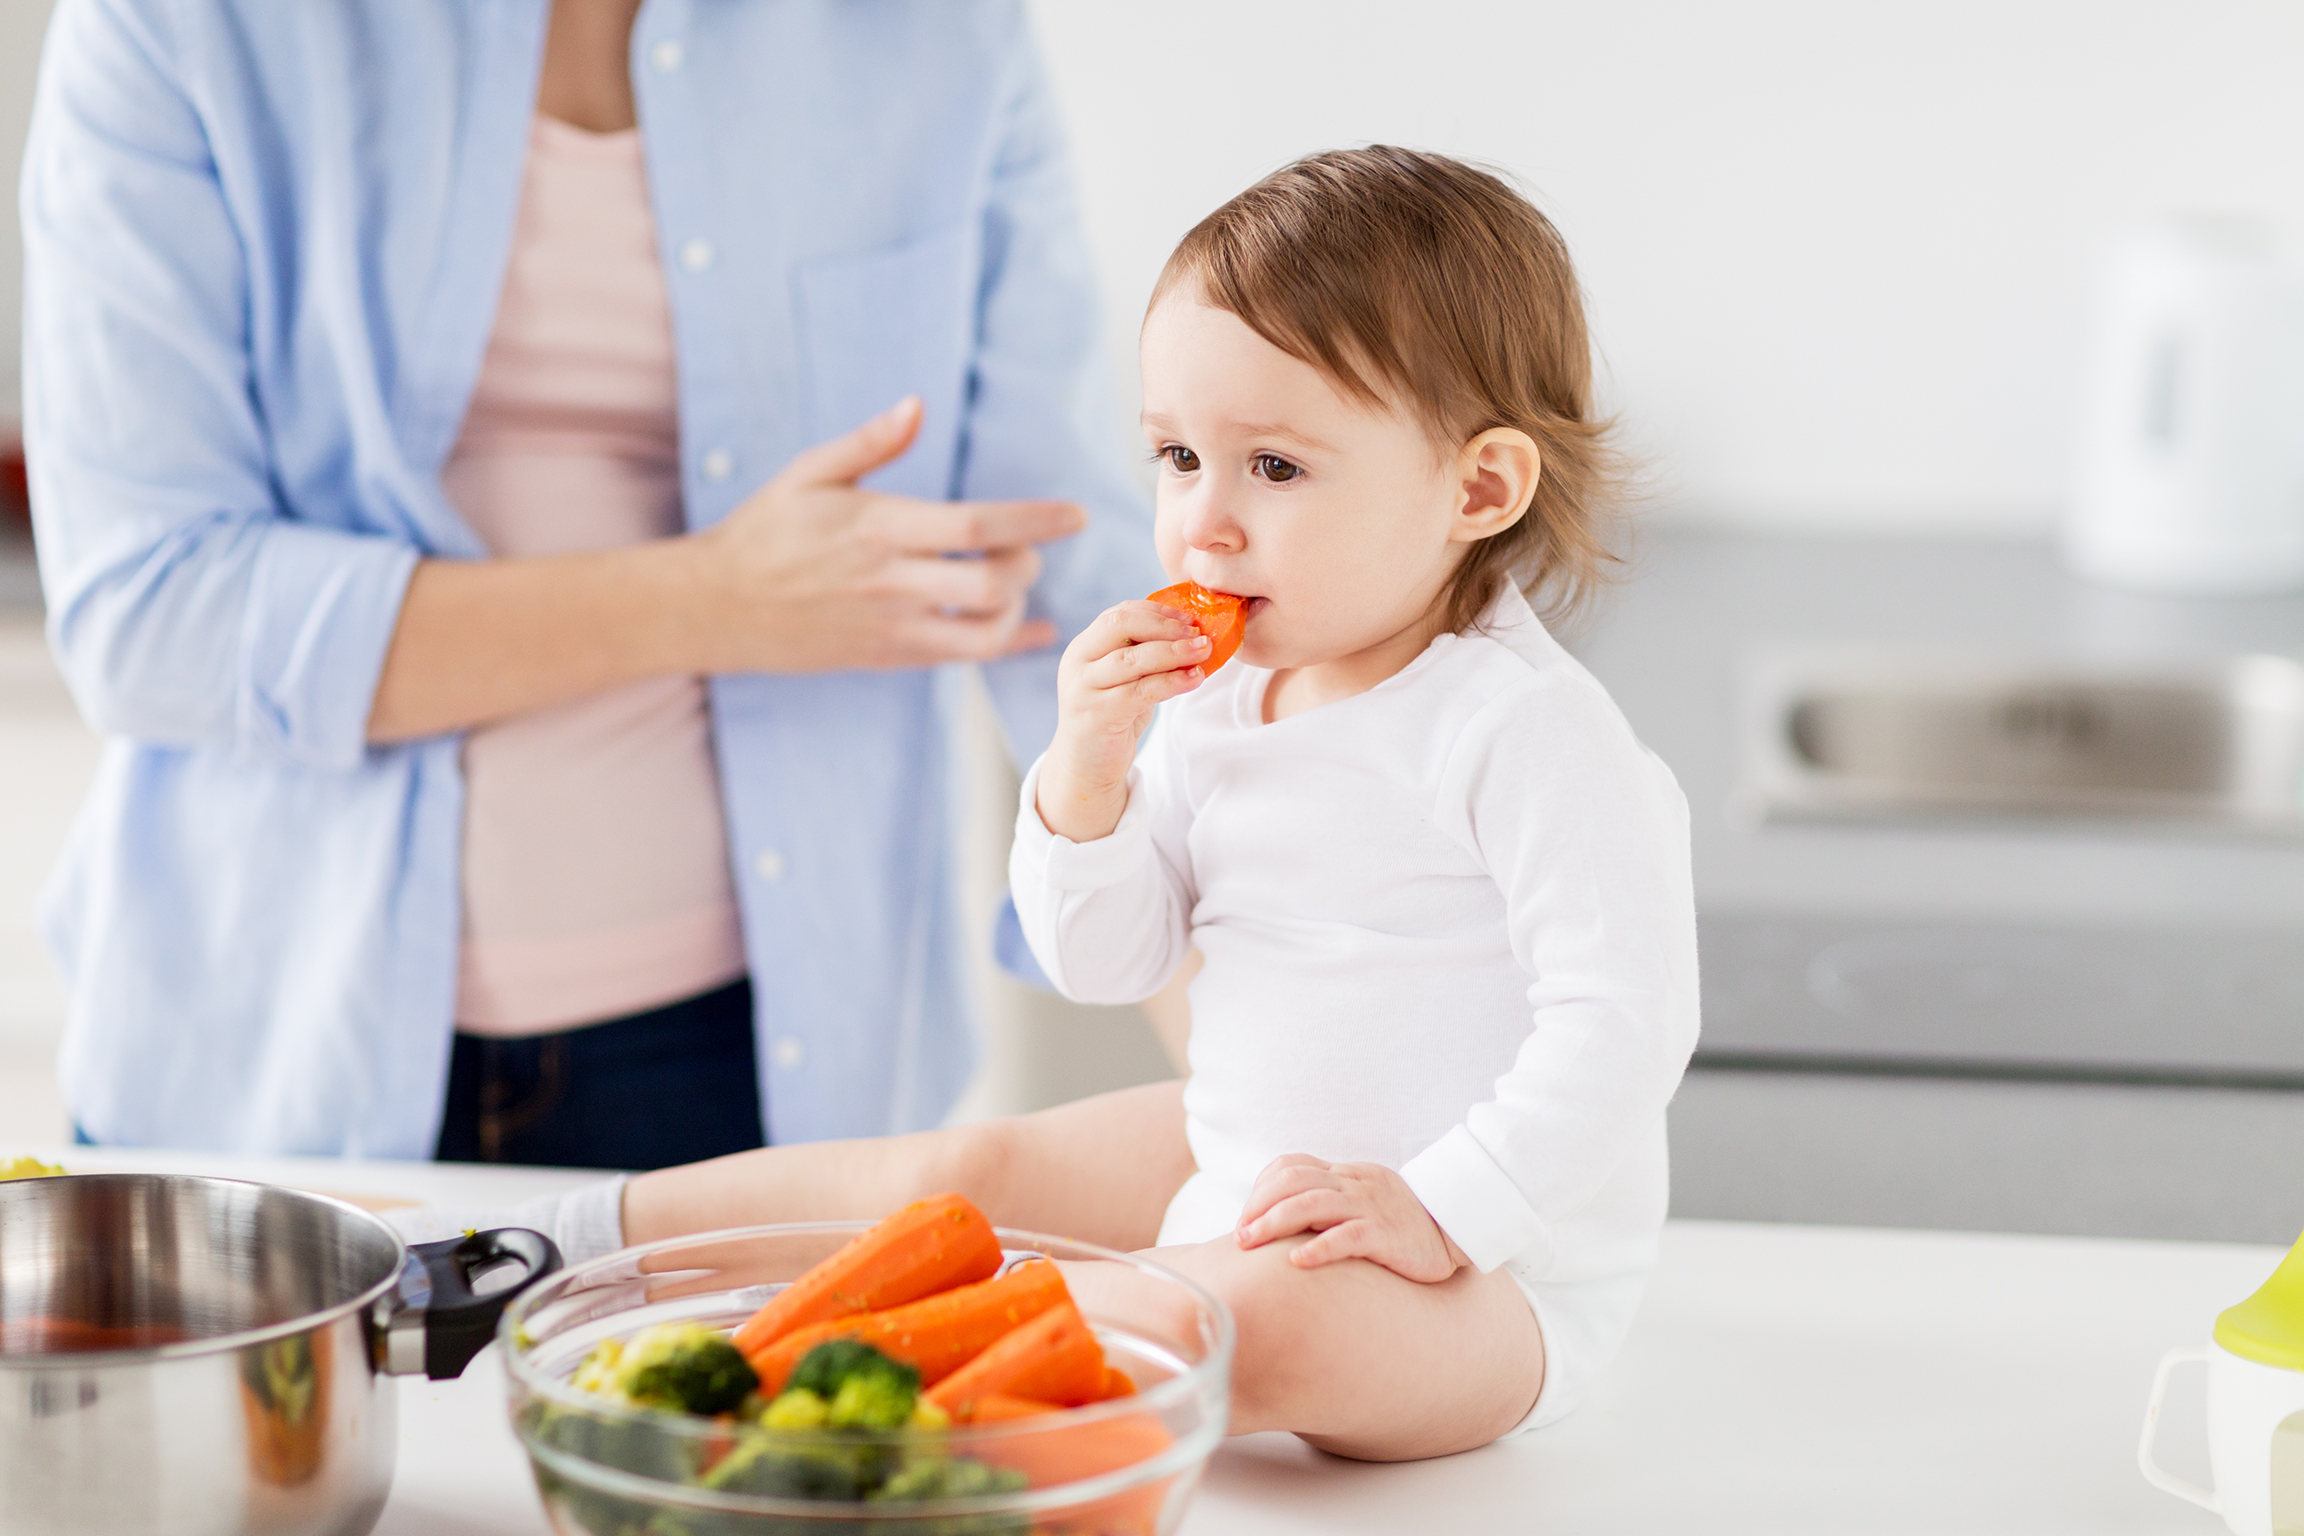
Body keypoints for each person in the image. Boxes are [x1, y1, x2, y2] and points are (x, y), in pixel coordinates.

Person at [406, 148, 1699, 1461]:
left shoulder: (1520, 733)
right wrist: (1086, 786)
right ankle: (544, 1257)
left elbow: (1627, 1028)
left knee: (1243, 1323)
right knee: (962, 1177)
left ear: (1479, 490)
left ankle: (767, 1404)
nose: (1205, 522)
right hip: (1248, 1174)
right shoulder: (1211, 703)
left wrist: (1446, 1207)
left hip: (1483, 1280)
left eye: (1278, 470)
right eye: (1180, 455)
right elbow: (1104, 961)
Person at [21, 0, 1158, 1164]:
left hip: (765, 1068)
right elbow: (151, 610)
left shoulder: (940, 33)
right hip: (270, 1063)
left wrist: (1249, 1030)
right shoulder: (182, 24)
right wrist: (716, 600)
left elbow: (1068, 576)